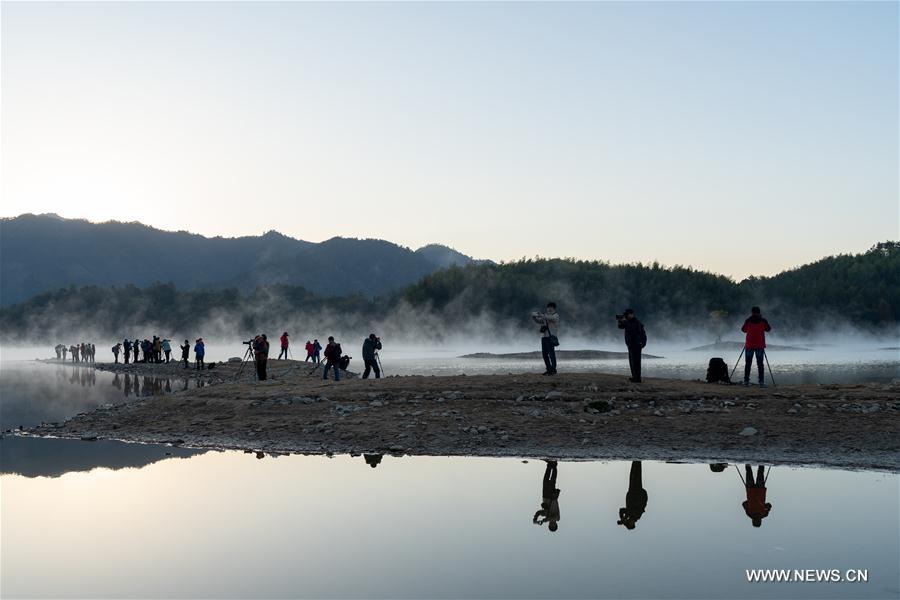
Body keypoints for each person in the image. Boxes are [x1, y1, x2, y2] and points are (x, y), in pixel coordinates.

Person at [741, 306, 772, 387]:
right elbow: (768, 329)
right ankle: (761, 382)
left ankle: (746, 381)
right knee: (760, 364)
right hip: (759, 345)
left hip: (749, 345)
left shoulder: (748, 320)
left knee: (748, 364)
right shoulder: (763, 321)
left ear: (752, 312)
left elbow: (743, 330)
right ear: (759, 312)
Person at [618, 309, 647, 383]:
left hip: (636, 344)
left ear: (632, 314)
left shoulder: (636, 322)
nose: (626, 316)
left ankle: (637, 378)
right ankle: (635, 377)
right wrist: (620, 320)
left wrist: (642, 343)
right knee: (632, 362)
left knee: (636, 362)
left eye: (627, 314)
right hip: (631, 345)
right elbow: (620, 327)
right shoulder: (629, 322)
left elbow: (632, 329)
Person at [617, 461, 648, 530]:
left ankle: (635, 460)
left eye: (630, 523)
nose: (631, 522)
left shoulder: (629, 516)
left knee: (633, 474)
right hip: (637, 492)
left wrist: (622, 518)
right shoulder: (636, 516)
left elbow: (621, 510)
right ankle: (638, 460)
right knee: (637, 474)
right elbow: (634, 509)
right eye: (631, 523)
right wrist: (624, 520)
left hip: (632, 492)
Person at [531, 302, 560, 376]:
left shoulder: (556, 315)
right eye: (548, 307)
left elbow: (551, 318)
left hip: (551, 337)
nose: (549, 309)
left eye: (551, 307)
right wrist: (534, 317)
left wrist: (542, 315)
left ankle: (553, 370)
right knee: (544, 355)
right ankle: (549, 369)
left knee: (551, 354)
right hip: (544, 337)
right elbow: (539, 321)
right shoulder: (545, 316)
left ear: (554, 308)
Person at [533, 460, 561, 532]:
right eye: (552, 525)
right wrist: (544, 520)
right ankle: (554, 465)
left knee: (545, 480)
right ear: (555, 525)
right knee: (552, 481)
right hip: (552, 496)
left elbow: (539, 512)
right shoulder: (557, 518)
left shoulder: (546, 515)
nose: (551, 524)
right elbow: (553, 518)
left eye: (550, 525)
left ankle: (549, 465)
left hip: (545, 496)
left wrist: (535, 519)